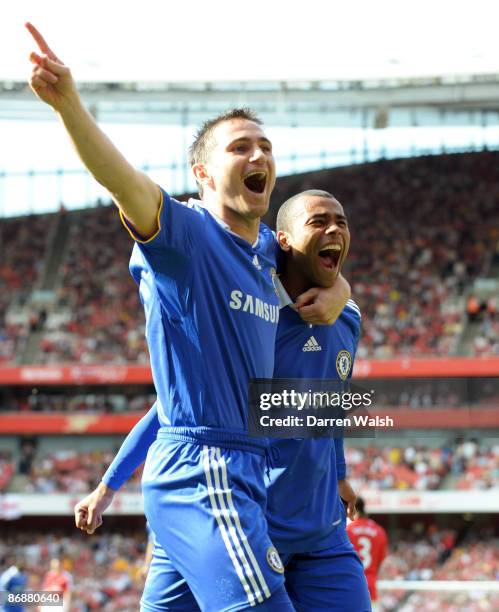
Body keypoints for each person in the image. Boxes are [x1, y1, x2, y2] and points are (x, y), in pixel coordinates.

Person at [27, 24, 348, 612]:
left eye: (266, 147)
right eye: (239, 148)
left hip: (236, 472)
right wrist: (70, 107)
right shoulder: (188, 234)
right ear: (202, 175)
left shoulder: (263, 256)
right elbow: (123, 184)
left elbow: (323, 265)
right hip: (207, 470)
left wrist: (340, 289)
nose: (259, 155)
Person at [76, 191, 371, 611]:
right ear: (284, 240)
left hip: (321, 535)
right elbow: (174, 410)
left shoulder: (348, 317)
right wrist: (108, 485)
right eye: (319, 221)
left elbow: (327, 403)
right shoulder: (246, 315)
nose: (335, 230)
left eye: (342, 222)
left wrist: (338, 474)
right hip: (241, 521)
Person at [347, 496, 388, 611]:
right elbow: (380, 561)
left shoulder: (348, 530)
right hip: (371, 585)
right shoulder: (379, 531)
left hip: (352, 585)